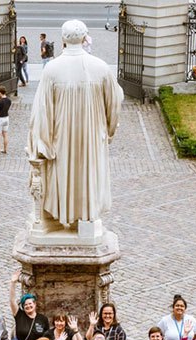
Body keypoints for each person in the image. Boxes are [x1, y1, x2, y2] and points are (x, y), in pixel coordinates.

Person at [27, 20, 123, 230]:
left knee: (63, 177)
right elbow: (114, 103)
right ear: (84, 37)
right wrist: (108, 130)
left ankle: (58, 216)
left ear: (63, 39)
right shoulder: (100, 67)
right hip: (92, 138)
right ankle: (86, 218)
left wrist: (43, 142)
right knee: (87, 175)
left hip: (61, 138)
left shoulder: (52, 69)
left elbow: (42, 111)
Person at [9, 272, 49, 340]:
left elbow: (46, 337)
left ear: (35, 304)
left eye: (30, 304)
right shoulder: (20, 315)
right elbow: (12, 300)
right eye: (25, 305)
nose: (28, 306)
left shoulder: (42, 319)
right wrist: (13, 283)